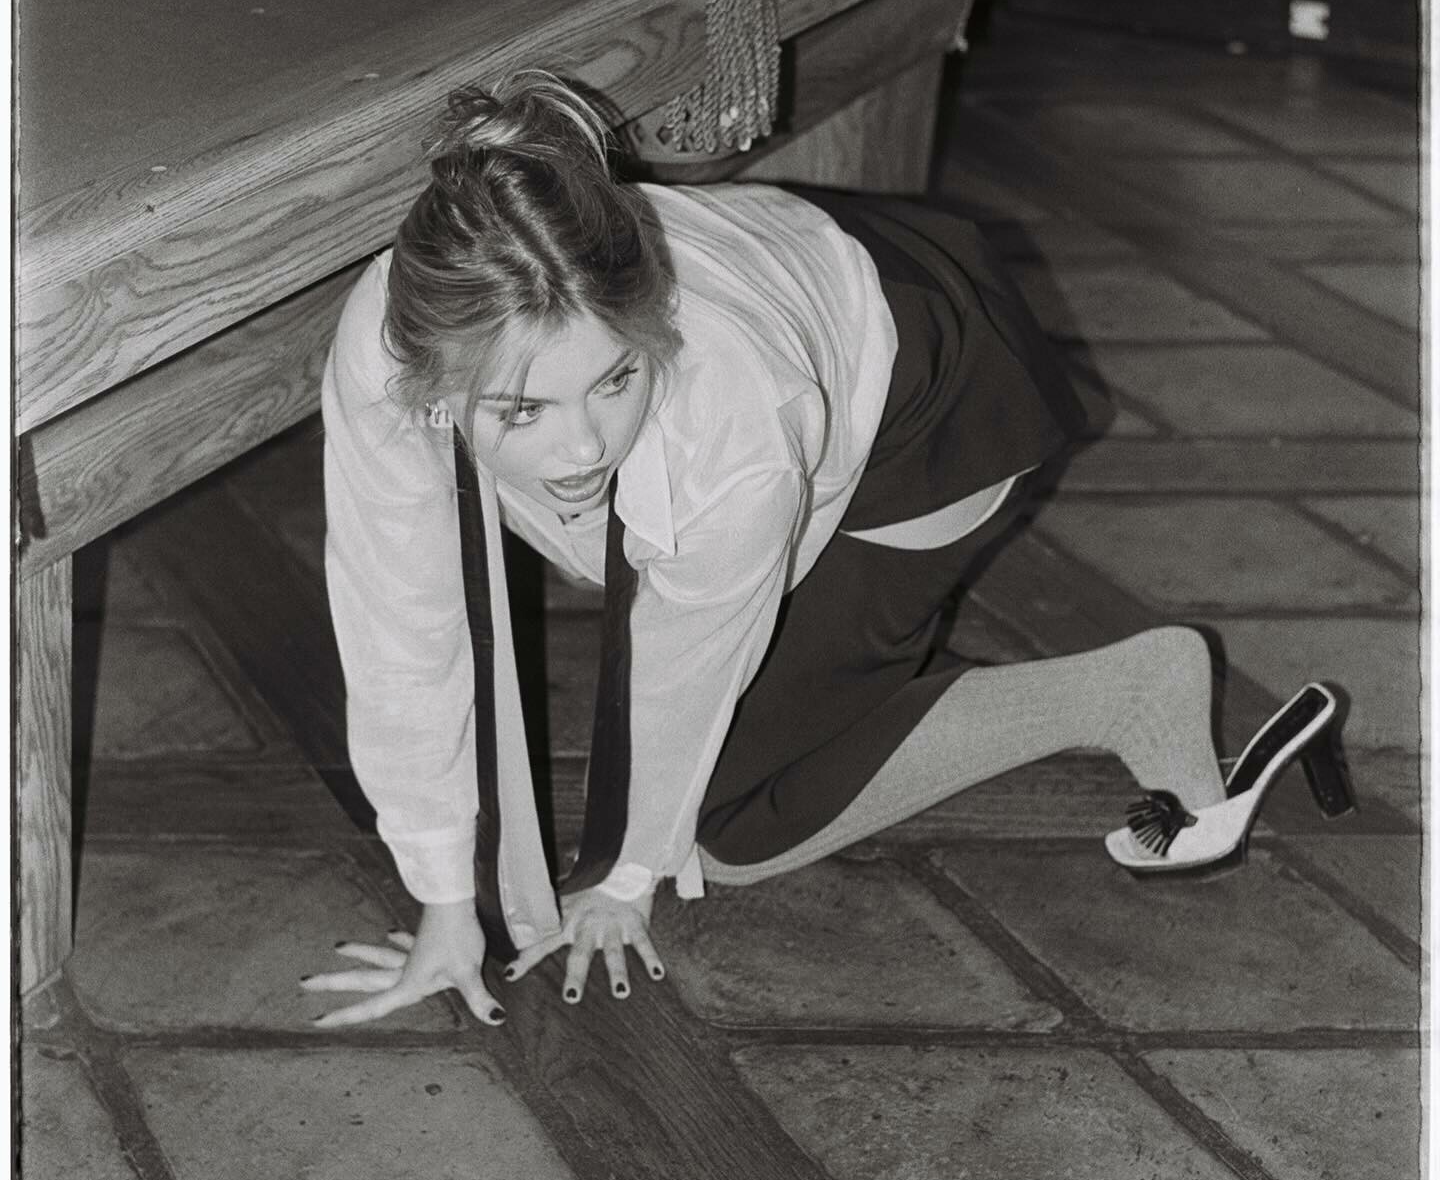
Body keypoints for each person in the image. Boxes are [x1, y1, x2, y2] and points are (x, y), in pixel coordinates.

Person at [302, 73, 1352, 1028]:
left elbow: (680, 661)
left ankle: (1123, 690)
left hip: (933, 394)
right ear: (428, 376)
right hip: (803, 287)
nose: (583, 447)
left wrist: (625, 875)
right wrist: (444, 901)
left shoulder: (734, 426)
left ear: (643, 325)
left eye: (615, 381)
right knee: (702, 654)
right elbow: (401, 621)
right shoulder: (390, 340)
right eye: (523, 409)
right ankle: (866, 661)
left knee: (733, 826)